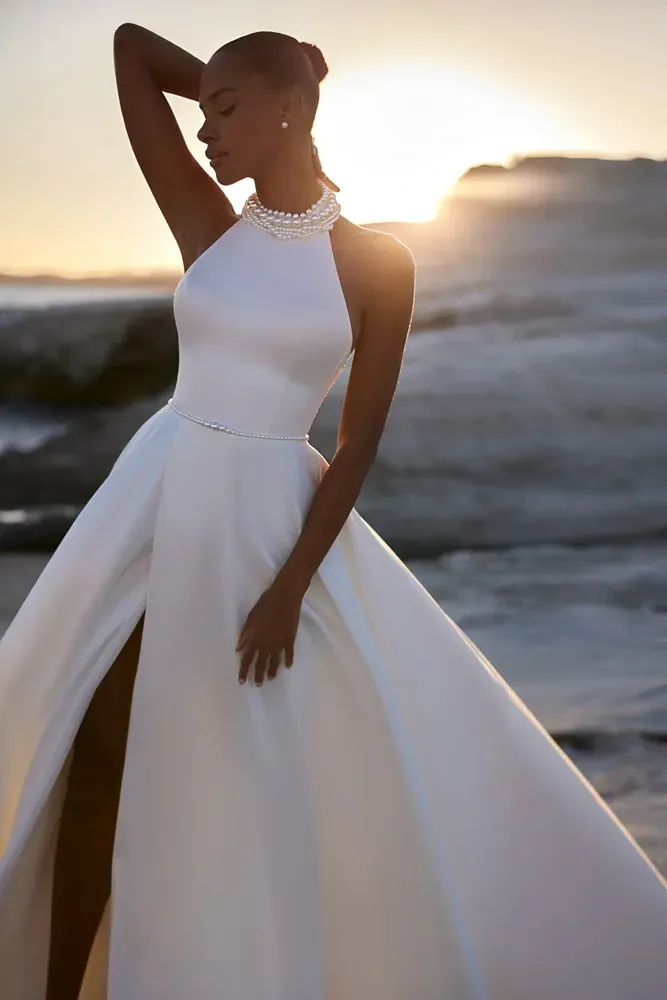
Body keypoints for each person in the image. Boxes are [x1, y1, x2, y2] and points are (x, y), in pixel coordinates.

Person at [1, 24, 666, 1000]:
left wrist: (288, 586)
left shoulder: (377, 265)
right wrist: (254, 86)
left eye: (225, 111)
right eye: (204, 111)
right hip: (147, 502)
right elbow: (130, 47)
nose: (203, 134)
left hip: (264, 526)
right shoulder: (210, 229)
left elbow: (355, 443)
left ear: (287, 111)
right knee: (89, 742)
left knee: (237, 767)